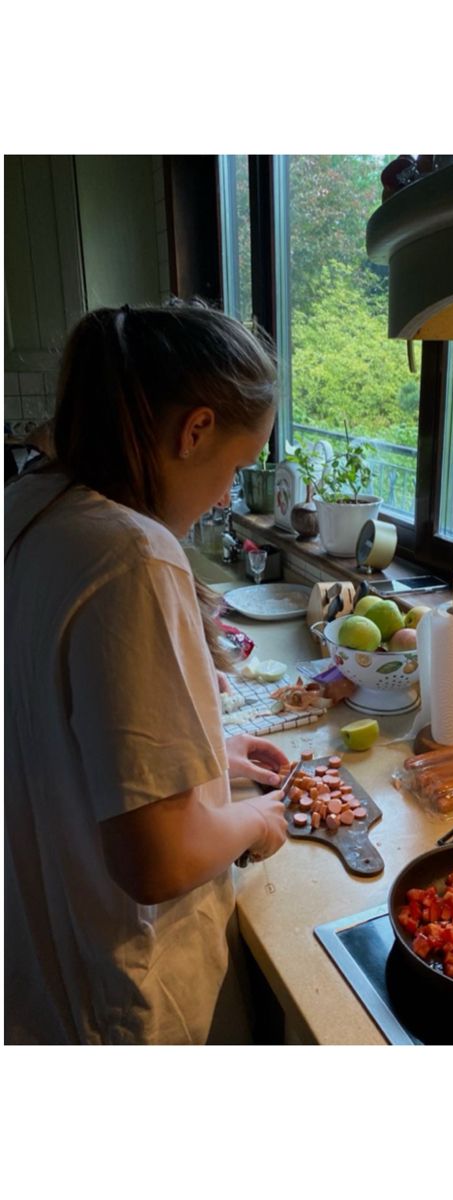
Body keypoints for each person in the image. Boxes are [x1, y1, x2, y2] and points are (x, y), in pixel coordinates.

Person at [4, 301, 291, 1045]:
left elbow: (58, 731)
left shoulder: (29, 504)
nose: (228, 493)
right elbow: (155, 860)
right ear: (193, 430)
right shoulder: (132, 553)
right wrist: (254, 820)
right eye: (233, 465)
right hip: (110, 994)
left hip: (35, 968)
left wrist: (202, 763)